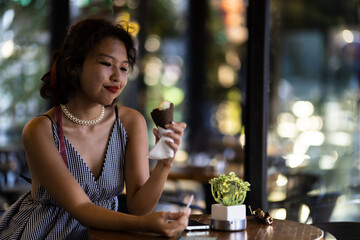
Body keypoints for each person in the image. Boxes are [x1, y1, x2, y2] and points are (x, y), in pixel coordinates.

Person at [0, 18, 189, 239]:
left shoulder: (131, 122)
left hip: (104, 234)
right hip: (45, 233)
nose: (117, 77)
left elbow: (139, 206)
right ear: (74, 66)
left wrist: (165, 162)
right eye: (106, 64)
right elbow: (81, 208)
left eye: (124, 67)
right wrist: (145, 224)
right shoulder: (39, 130)